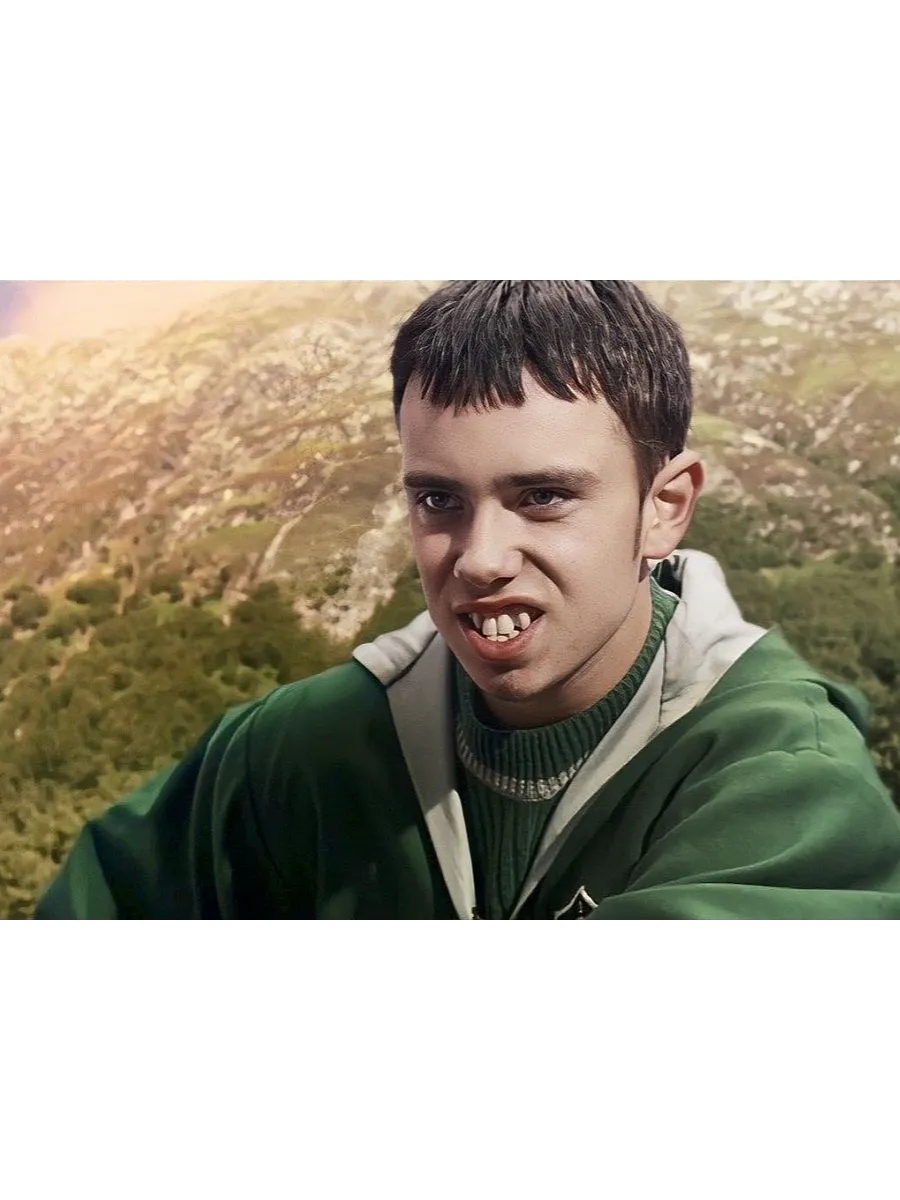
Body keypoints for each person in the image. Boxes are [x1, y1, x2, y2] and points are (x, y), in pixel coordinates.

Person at [35, 280, 900, 919]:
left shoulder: (790, 791)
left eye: (544, 497)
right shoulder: (300, 748)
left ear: (664, 508)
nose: (480, 560)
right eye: (438, 499)